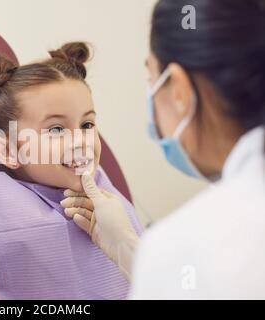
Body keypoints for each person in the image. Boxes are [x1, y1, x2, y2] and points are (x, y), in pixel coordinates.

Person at [61, 0, 265, 299]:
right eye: (55, 130)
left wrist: (149, 257)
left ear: (179, 91)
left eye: (151, 79)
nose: (78, 141)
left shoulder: (189, 245)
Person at [0, 42, 142, 299]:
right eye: (55, 129)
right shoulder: (25, 227)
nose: (81, 141)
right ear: (8, 151)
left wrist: (126, 246)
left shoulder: (102, 192)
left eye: (87, 124)